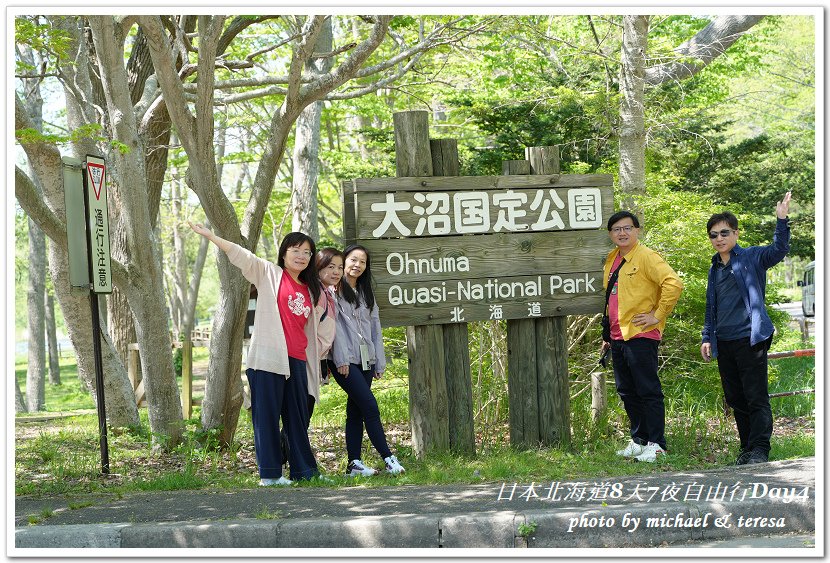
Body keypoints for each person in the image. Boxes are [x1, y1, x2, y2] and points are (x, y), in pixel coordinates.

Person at [189, 222, 323, 486]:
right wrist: (212, 236)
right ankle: (271, 474)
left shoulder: (309, 289)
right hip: (268, 360)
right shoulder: (269, 273)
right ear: (284, 253)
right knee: (267, 417)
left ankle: (304, 473)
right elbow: (242, 255)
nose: (301, 256)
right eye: (296, 250)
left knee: (297, 420)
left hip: (297, 361)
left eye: (307, 252)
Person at [701, 192, 792, 466]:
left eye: (724, 233)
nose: (719, 238)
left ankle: (760, 448)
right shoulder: (714, 268)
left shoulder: (752, 257)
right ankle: (746, 448)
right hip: (724, 341)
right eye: (713, 235)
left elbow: (779, 249)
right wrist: (707, 337)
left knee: (755, 396)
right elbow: (711, 308)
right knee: (736, 398)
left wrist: (782, 219)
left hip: (750, 338)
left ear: (736, 233)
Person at [601, 211, 684, 463]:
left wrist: (657, 315)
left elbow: (673, 283)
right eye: (616, 229)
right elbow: (612, 299)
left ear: (637, 230)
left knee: (648, 390)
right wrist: (607, 335)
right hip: (618, 335)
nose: (622, 233)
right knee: (627, 390)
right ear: (610, 234)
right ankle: (639, 440)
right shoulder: (613, 258)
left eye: (627, 228)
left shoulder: (647, 256)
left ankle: (657, 444)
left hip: (641, 334)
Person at [330, 245, 405, 477]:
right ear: (344, 261)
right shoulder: (333, 290)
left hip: (365, 359)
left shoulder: (365, 292)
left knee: (356, 411)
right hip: (343, 360)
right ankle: (388, 458)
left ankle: (353, 464)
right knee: (371, 407)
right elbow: (334, 328)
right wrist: (340, 357)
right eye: (353, 260)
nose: (357, 265)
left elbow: (375, 328)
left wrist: (378, 361)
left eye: (362, 262)